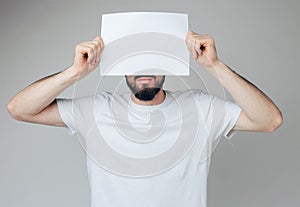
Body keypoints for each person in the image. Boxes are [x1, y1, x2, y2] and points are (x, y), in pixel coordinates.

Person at [7, 31, 283, 207]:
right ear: (120, 68)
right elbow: (19, 109)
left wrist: (214, 66)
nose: (144, 71)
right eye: (134, 62)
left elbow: (269, 120)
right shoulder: (96, 110)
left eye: (152, 60)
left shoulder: (201, 108)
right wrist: (74, 73)